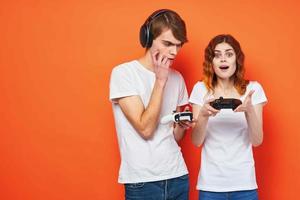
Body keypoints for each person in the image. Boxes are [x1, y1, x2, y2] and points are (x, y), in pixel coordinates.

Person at [109, 9, 192, 200]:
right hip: (142, 181)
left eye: (178, 45)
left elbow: (174, 137)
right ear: (147, 38)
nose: (174, 52)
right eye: (167, 43)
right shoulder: (124, 73)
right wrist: (160, 81)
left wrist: (181, 126)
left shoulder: (177, 78)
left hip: (177, 175)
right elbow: (145, 129)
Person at [189, 34, 267, 200]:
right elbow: (196, 141)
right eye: (217, 55)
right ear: (211, 61)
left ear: (236, 59)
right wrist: (203, 114)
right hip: (210, 185)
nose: (223, 59)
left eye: (229, 54)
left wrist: (249, 110)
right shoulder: (200, 89)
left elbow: (257, 140)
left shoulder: (253, 89)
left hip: (244, 183)